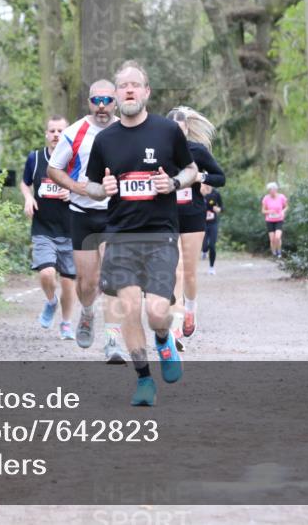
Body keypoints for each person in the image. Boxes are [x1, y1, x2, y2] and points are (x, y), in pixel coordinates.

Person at [85, 60, 198, 406]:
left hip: (160, 235)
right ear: (116, 94)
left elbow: (192, 170)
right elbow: (90, 187)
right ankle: (144, 379)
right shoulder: (105, 140)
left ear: (147, 92)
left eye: (136, 85)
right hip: (120, 236)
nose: (129, 90)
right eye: (123, 86)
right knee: (130, 307)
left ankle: (163, 340)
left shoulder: (167, 132)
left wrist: (174, 182)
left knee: (156, 312)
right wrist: (101, 189)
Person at [46, 80, 128, 364]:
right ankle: (87, 313)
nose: (102, 105)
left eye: (107, 99)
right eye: (97, 100)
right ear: (89, 102)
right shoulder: (74, 132)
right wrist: (79, 188)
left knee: (113, 276)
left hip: (116, 214)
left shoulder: (127, 130)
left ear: (115, 101)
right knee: (87, 282)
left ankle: (113, 341)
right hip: (82, 214)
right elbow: (53, 168)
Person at [164, 106, 224, 340]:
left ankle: (190, 309)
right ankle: (176, 320)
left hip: (192, 215)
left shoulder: (197, 151)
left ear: (187, 129)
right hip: (166, 216)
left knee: (189, 272)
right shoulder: (157, 151)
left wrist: (201, 177)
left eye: (181, 129)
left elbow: (220, 177)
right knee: (174, 269)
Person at [20, 116, 77, 339]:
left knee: (68, 281)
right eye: (52, 131)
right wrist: (27, 198)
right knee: (46, 273)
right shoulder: (35, 158)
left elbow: (90, 186)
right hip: (43, 228)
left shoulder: (74, 161)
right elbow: (25, 183)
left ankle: (66, 323)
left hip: (72, 229)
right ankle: (51, 302)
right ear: (46, 134)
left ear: (67, 135)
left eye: (60, 131)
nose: (56, 135)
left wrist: (72, 191)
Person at [262, 182, 289, 257]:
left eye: (273, 190)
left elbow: (286, 206)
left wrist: (283, 211)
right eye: (270, 190)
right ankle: (274, 253)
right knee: (272, 239)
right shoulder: (266, 198)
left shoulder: (281, 197)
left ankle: (279, 252)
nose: (271, 192)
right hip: (269, 220)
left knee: (277, 237)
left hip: (279, 219)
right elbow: (263, 210)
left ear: (276, 190)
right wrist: (269, 211)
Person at [201, 183, 223, 276]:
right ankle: (204, 251)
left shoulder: (216, 194)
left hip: (213, 223)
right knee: (205, 246)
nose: (207, 185)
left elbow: (222, 207)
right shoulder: (199, 193)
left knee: (212, 246)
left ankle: (211, 267)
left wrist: (218, 209)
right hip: (202, 223)